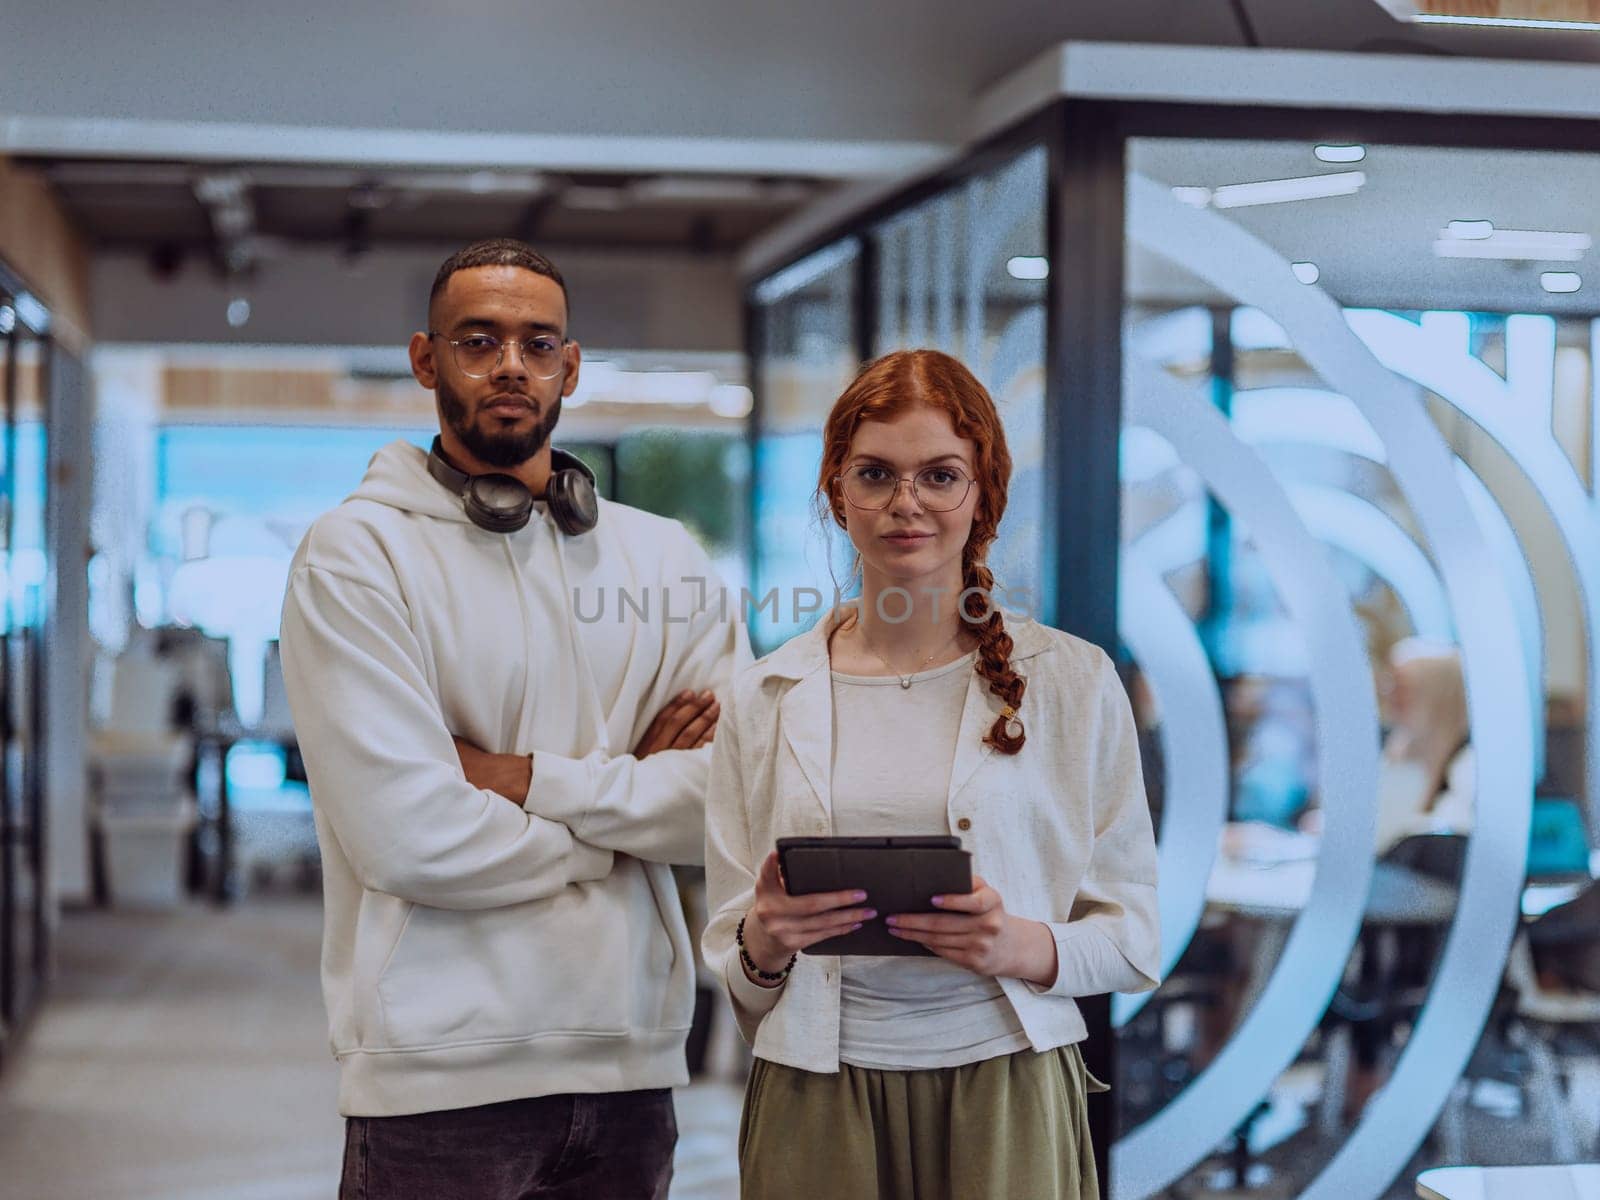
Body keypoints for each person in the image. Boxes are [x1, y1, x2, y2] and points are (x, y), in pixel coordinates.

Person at [280, 238, 748, 1200]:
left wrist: (522, 778)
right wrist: (627, 829)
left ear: (569, 367)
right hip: (435, 1082)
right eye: (478, 340)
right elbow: (409, 839)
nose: (510, 367)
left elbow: (726, 801)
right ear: (426, 359)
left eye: (539, 345)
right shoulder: (356, 558)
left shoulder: (666, 563)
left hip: (631, 1072)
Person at [702, 349, 1160, 1200]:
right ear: (837, 492)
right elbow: (734, 961)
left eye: (939, 475)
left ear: (982, 490)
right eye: (875, 474)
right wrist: (766, 940)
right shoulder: (764, 695)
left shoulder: (1073, 681)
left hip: (1007, 1086)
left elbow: (1134, 937)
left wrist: (1022, 944)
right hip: (816, 1095)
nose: (905, 503)